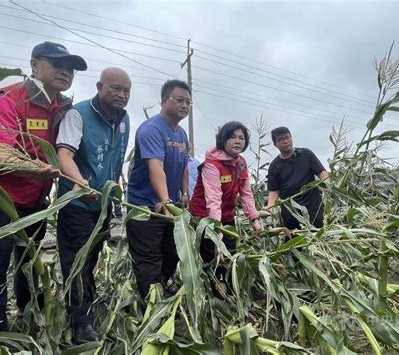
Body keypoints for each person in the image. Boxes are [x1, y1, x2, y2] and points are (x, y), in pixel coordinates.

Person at [0, 41, 86, 331]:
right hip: (1, 201)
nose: (65, 72)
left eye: (70, 68)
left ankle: (28, 317)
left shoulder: (64, 107)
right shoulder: (9, 100)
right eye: (57, 64)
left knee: (29, 266)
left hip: (37, 203)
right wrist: (40, 169)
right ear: (34, 64)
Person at [56, 67, 131, 343]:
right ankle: (81, 325)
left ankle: (83, 310)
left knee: (90, 262)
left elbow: (116, 162)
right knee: (76, 262)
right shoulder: (78, 114)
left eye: (127, 91)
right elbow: (64, 154)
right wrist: (80, 183)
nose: (122, 95)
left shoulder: (124, 120)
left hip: (102, 208)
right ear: (100, 87)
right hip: (77, 204)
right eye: (116, 89)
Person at [127, 79, 190, 299]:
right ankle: (153, 304)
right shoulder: (152, 129)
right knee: (149, 256)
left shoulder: (181, 134)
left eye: (188, 102)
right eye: (179, 100)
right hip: (146, 206)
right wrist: (165, 201)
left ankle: (163, 285)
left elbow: (183, 166)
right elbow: (156, 169)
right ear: (164, 101)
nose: (184, 106)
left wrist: (183, 193)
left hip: (170, 205)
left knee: (172, 251)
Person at [190, 121, 262, 265]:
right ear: (223, 139)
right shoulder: (211, 165)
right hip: (206, 219)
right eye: (232, 137)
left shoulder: (241, 163)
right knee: (214, 263)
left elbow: (246, 193)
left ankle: (229, 287)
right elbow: (213, 200)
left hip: (227, 217)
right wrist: (217, 239)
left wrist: (254, 218)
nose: (237, 141)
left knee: (230, 260)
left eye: (241, 138)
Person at [266, 126, 329, 229]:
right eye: (280, 140)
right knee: (295, 238)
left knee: (318, 234)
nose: (285, 141)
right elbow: (273, 190)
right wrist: (270, 206)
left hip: (313, 205)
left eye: (287, 137)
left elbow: (321, 172)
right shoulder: (274, 166)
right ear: (275, 144)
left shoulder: (306, 154)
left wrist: (327, 187)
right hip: (291, 210)